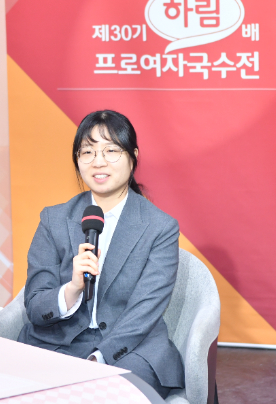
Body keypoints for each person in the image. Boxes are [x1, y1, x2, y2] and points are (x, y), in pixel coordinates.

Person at [17, 109, 184, 398]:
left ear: (133, 157)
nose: (98, 162)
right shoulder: (53, 220)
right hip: (59, 344)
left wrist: (97, 360)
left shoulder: (160, 227)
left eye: (111, 151)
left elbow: (143, 312)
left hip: (129, 349)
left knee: (109, 394)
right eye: (88, 152)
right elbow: (35, 305)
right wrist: (72, 288)